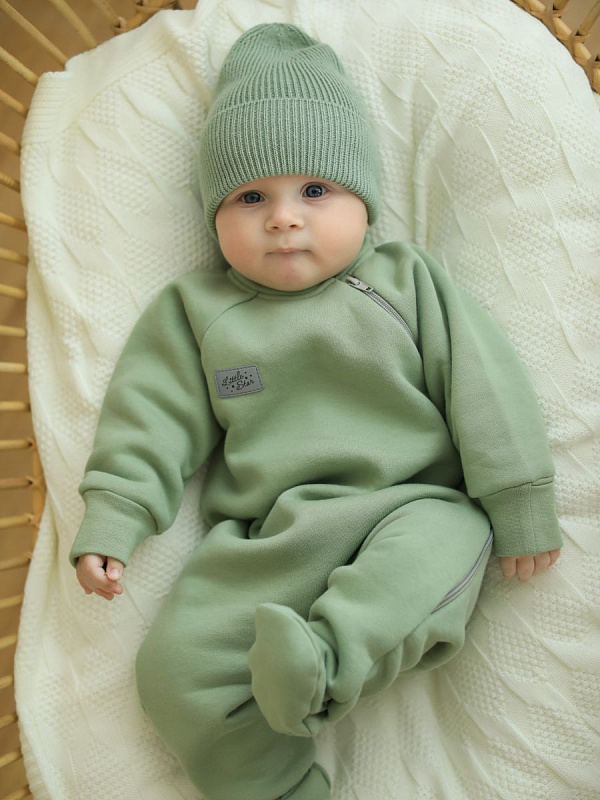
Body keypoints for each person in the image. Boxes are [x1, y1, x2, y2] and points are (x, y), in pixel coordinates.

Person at [69, 23, 562, 800]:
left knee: (449, 542)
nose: (283, 218)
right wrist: (115, 515)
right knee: (172, 674)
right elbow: (147, 419)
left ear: (363, 199)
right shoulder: (198, 312)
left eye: (315, 191)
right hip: (268, 542)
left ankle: (324, 662)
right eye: (251, 197)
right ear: (214, 214)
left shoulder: (404, 282)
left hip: (407, 509)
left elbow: (486, 387)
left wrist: (519, 499)